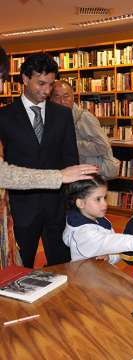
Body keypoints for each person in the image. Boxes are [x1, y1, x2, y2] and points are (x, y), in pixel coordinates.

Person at [0, 52, 79, 268]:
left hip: (57, 207)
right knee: (18, 270)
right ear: (25, 79)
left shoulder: (62, 115)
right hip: (21, 208)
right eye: (41, 83)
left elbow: (70, 158)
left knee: (63, 267)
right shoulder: (4, 117)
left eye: (50, 84)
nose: (46, 90)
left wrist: (72, 201)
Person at [63, 175, 133, 262]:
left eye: (105, 198)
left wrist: (110, 258)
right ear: (81, 203)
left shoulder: (98, 219)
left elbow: (115, 250)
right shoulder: (83, 233)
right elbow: (111, 242)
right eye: (98, 199)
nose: (105, 204)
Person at [50, 80, 120, 179]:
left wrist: (71, 145)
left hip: (91, 174)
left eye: (66, 96)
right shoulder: (55, 119)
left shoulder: (84, 117)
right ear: (51, 99)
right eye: (57, 96)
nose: (62, 101)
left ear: (73, 98)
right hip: (71, 172)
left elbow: (102, 146)